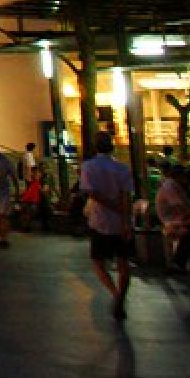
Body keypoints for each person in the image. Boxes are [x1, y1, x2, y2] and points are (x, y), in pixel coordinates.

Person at [78, 131, 136, 319]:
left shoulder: (88, 166)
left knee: (98, 261)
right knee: (123, 262)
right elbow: (127, 194)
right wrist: (125, 217)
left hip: (100, 220)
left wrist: (112, 206)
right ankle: (122, 294)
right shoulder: (122, 168)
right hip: (120, 222)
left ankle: (115, 293)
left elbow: (91, 192)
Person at [155, 165, 190, 273]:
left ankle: (178, 263)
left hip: (177, 218)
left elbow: (186, 203)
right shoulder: (169, 187)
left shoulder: (175, 186)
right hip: (172, 220)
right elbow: (179, 206)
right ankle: (178, 263)